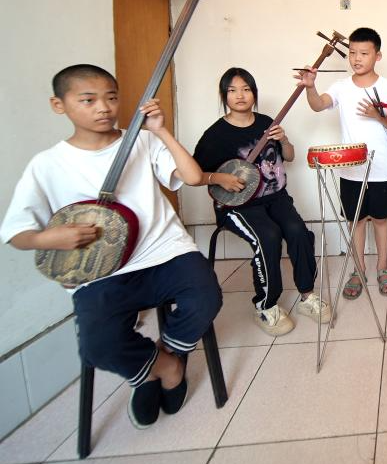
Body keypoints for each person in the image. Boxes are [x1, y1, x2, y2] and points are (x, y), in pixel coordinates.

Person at [1, 64, 223, 429]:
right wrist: (48, 238)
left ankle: (168, 351)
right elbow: (16, 232)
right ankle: (163, 367)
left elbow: (194, 177)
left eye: (111, 98)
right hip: (102, 271)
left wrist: (161, 130)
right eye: (88, 100)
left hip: (165, 251)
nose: (103, 108)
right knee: (98, 345)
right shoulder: (47, 165)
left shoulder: (143, 140)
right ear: (59, 105)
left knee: (206, 297)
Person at [193, 67, 328, 336]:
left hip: (275, 198)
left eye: (246, 89)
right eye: (232, 90)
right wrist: (218, 178)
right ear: (224, 95)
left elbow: (289, 156)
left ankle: (307, 295)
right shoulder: (215, 134)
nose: (240, 95)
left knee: (298, 231)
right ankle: (265, 306)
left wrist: (284, 139)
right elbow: (193, 174)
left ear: (254, 93)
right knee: (268, 236)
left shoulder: (267, 122)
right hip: (237, 206)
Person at [299, 27, 387, 298]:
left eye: (364, 53)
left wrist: (377, 115)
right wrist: (311, 87)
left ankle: (382, 266)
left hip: (380, 168)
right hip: (351, 170)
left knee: (381, 219)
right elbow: (318, 105)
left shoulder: (386, 86)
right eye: (353, 53)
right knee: (356, 221)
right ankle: (358, 269)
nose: (357, 58)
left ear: (377, 56)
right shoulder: (341, 87)